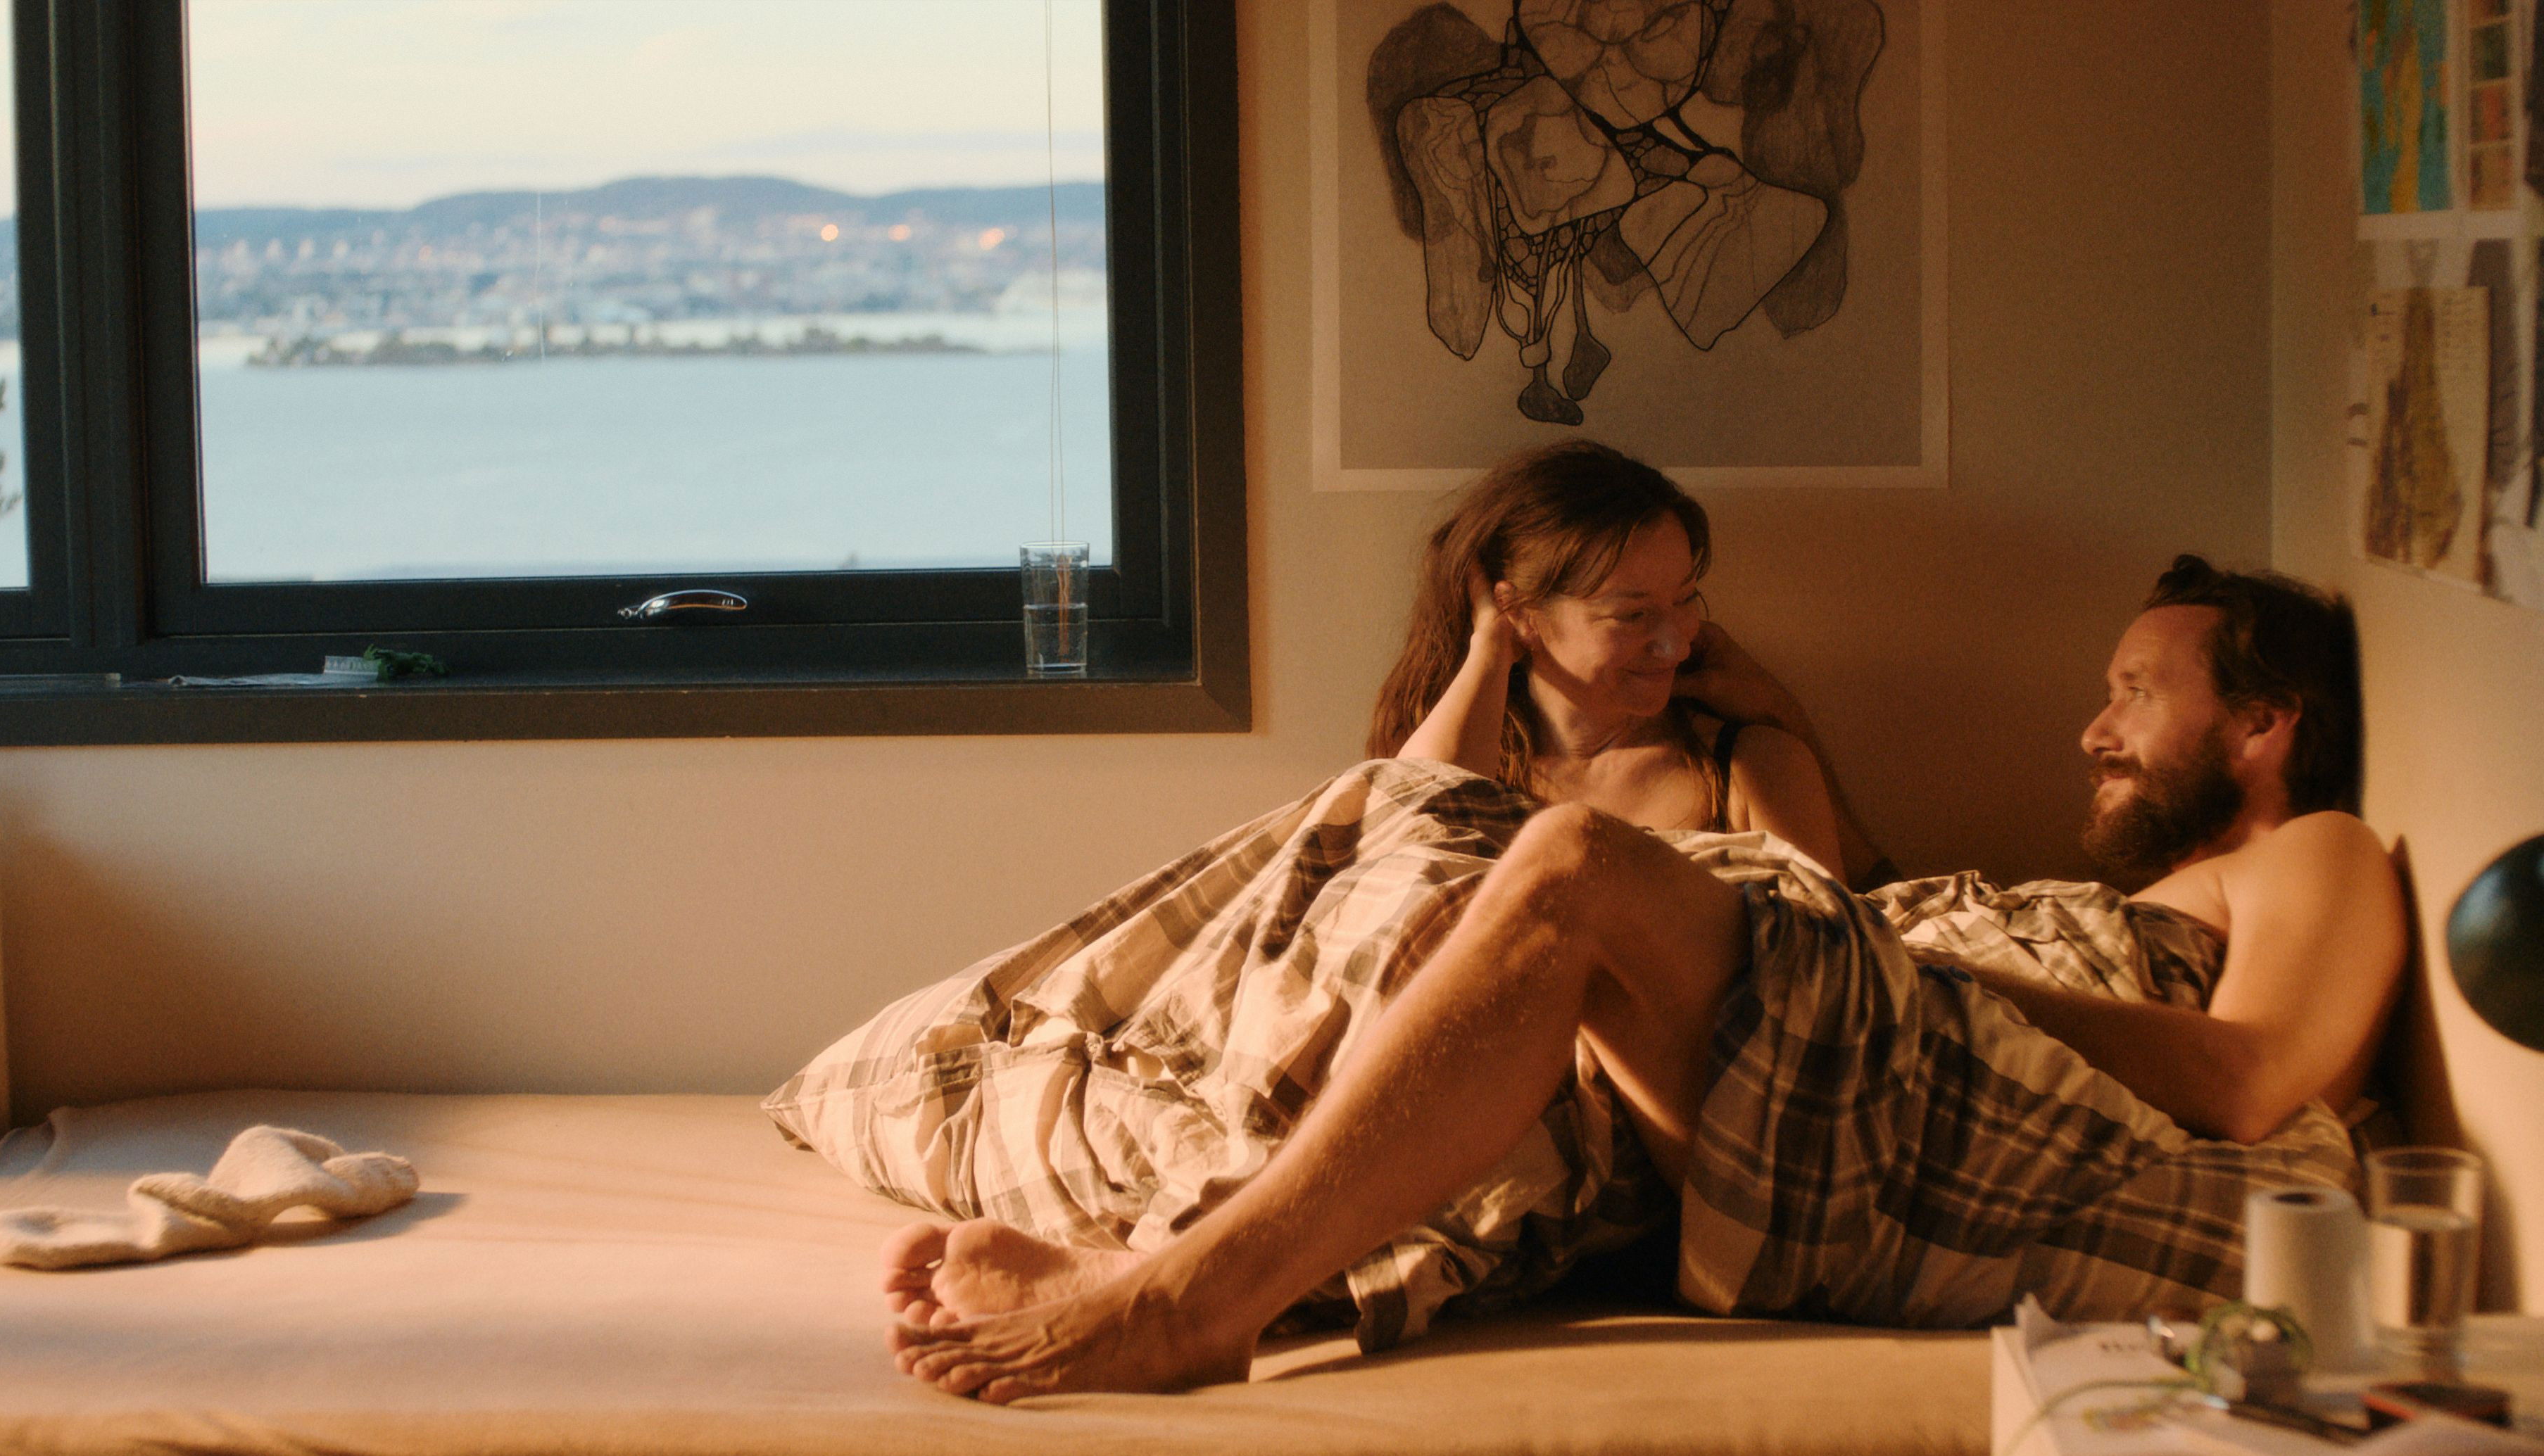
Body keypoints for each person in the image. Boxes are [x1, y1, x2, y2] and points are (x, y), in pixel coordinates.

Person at [883, 556, 2407, 1403]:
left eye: (2134, 694)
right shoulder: (2153, 893)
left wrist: (1901, 955)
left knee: (1571, 871)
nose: (2093, 731)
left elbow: (2253, 1082)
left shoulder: (2322, 851)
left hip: (1970, 1106)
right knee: (1411, 839)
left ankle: (1191, 1301)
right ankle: (1170, 1211)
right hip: (1893, 1067)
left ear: (2263, 724)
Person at [1366, 440, 1844, 875]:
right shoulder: (1465, 759)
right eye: (1633, 615)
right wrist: (1489, 649)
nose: (1677, 646)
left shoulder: (1759, 770)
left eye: (1685, 600)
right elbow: (1397, 876)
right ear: (1522, 614)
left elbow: (1828, 939)